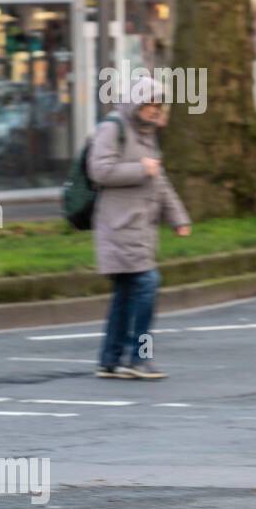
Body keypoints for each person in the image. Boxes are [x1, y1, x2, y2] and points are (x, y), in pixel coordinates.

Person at [88, 83, 191, 380]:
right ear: (136, 103)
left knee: (125, 293)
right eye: (150, 105)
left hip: (139, 229)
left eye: (159, 106)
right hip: (119, 226)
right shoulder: (113, 128)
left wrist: (178, 218)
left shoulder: (147, 135)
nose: (155, 111)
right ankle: (137, 358)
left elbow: (160, 181)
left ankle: (110, 360)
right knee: (147, 283)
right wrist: (140, 168)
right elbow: (99, 171)